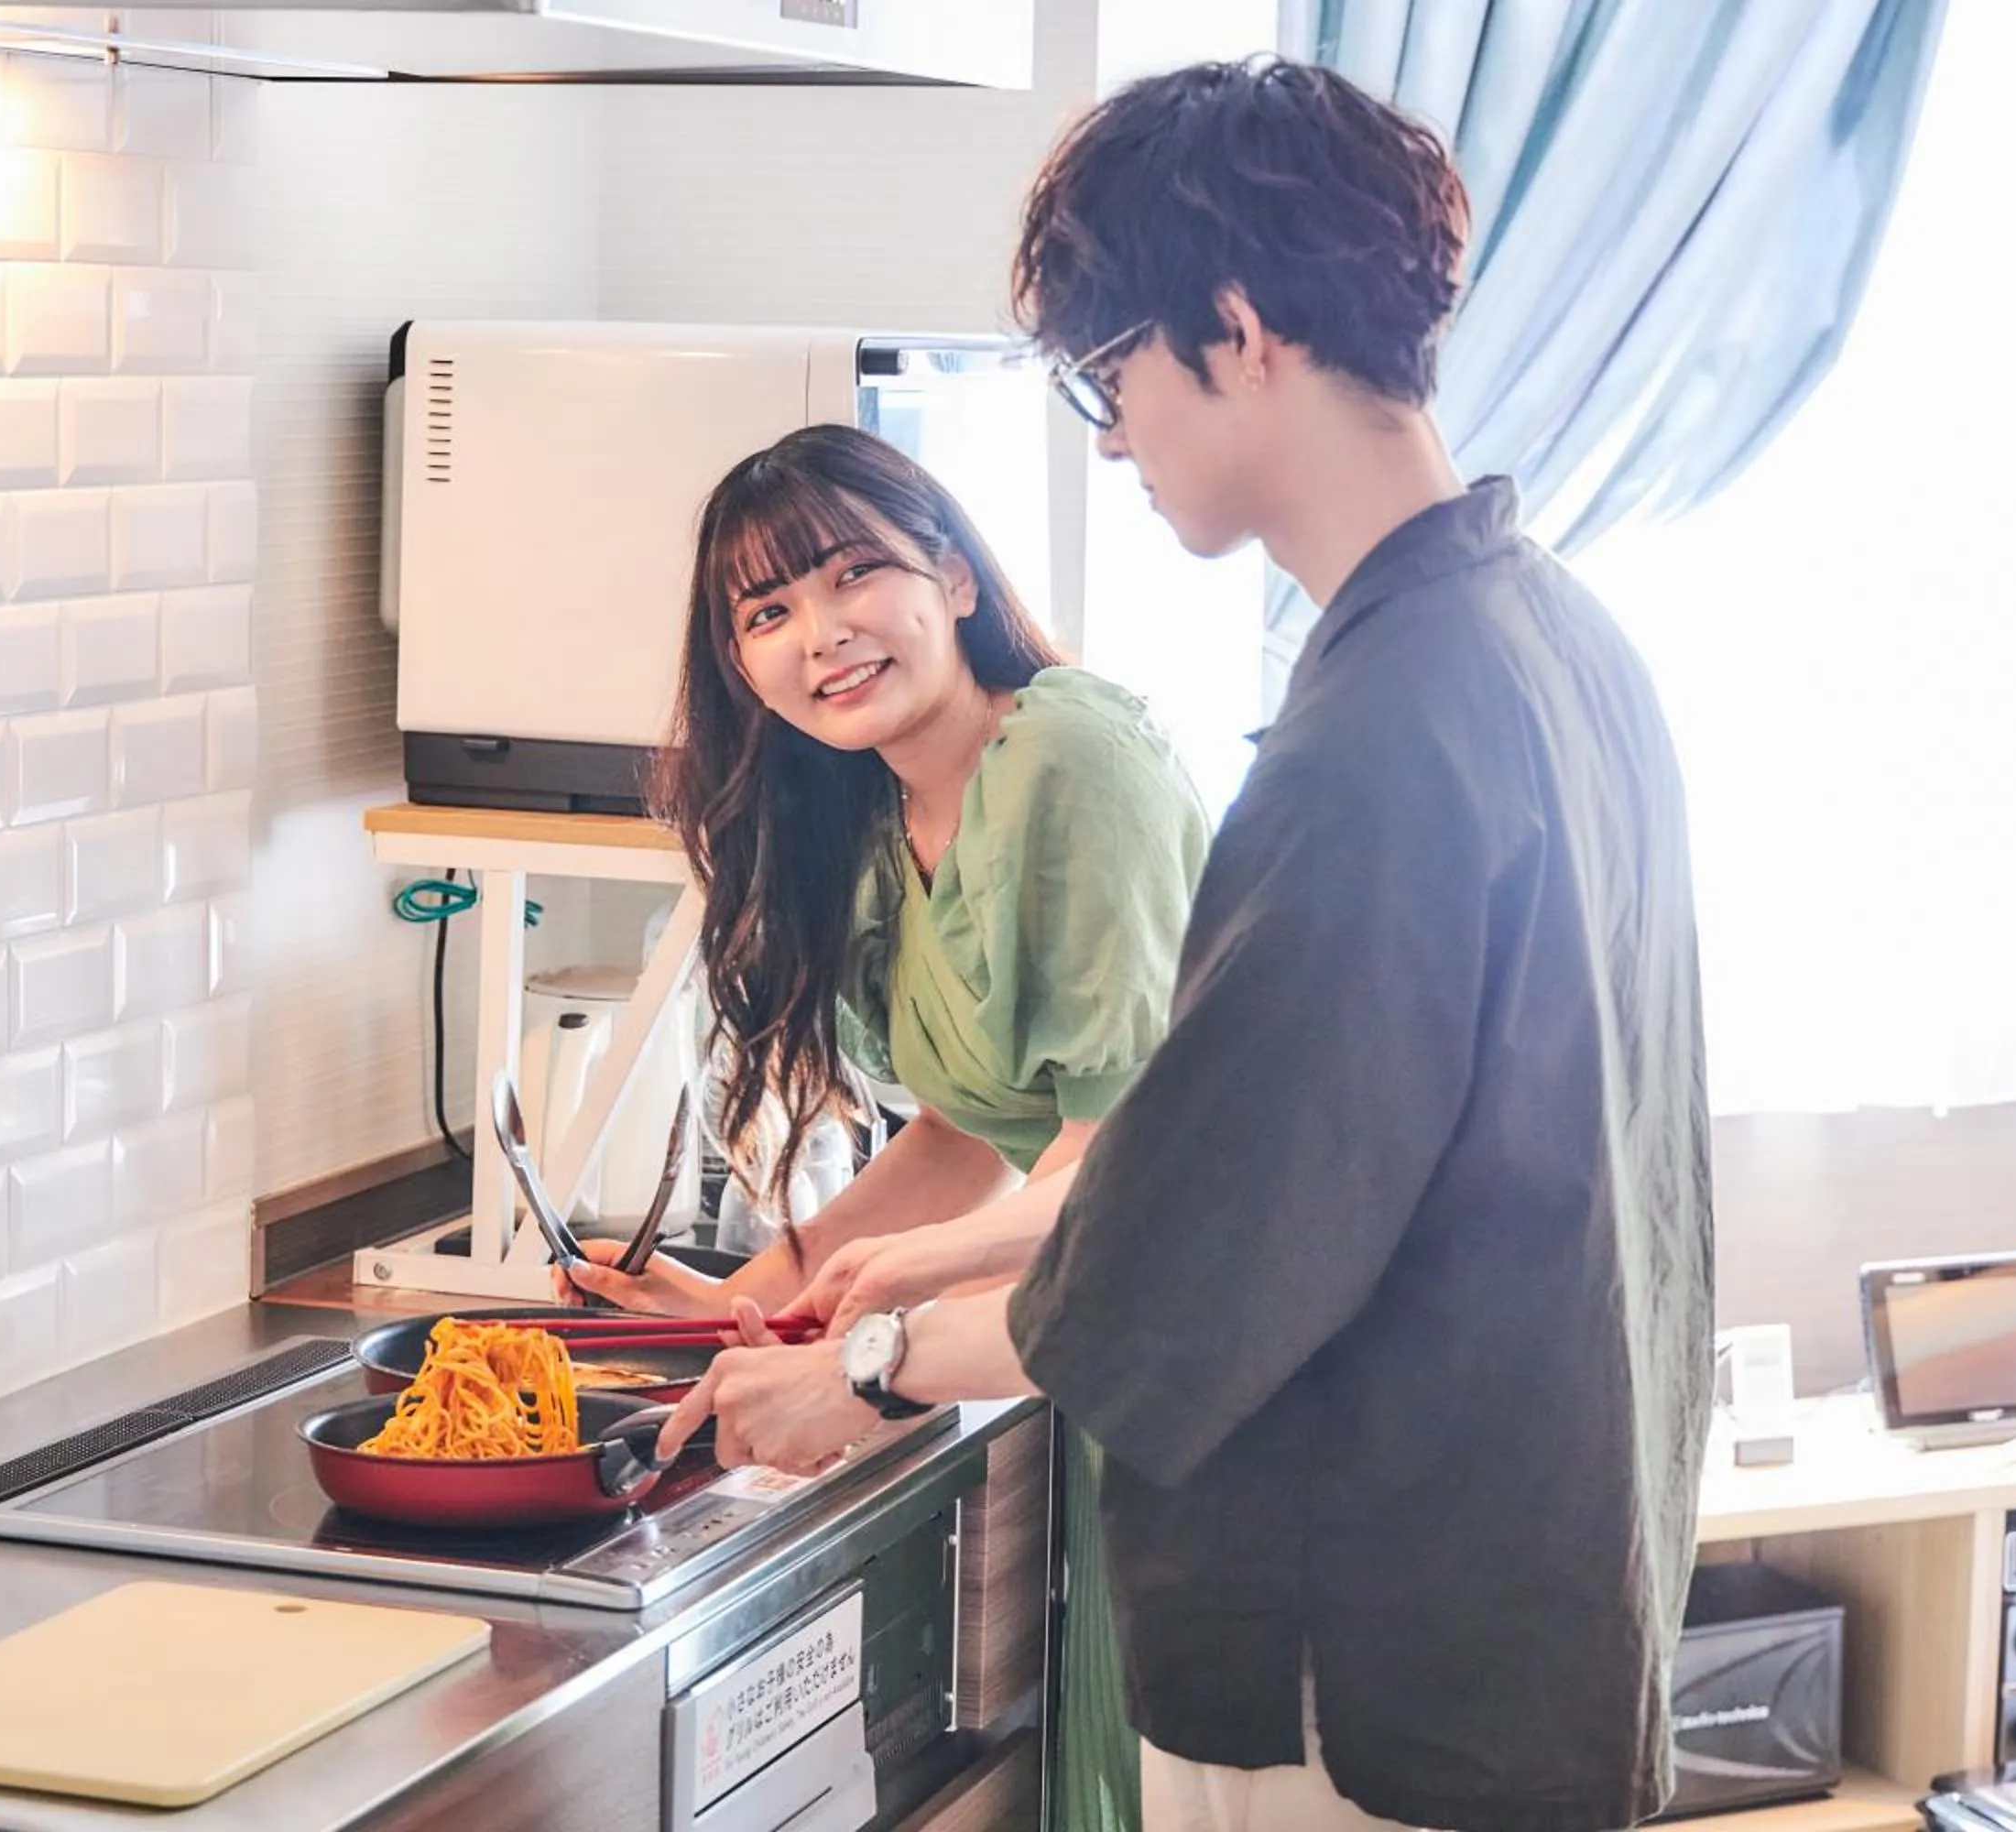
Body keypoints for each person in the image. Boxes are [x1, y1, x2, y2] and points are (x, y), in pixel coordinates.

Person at [659, 57, 1715, 1832]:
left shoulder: (1377, 736)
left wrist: (860, 1369)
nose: (1110, 431)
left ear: (1236, 327)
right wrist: (878, 1278)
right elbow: (1277, 1159)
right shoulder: (1542, 635)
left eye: (1114, 370)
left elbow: (1203, 1249)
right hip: (1523, 1571)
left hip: (1364, 1631)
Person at [557, 423, 1209, 1832]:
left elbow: (1129, 1154)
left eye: (857, 575)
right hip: (1094, 1347)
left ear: (957, 579)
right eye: (770, 611)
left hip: (1197, 1369)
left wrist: (866, 1330)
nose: (823, 634)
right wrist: (748, 1304)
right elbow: (967, 1135)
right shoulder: (878, 813)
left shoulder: (1068, 764)